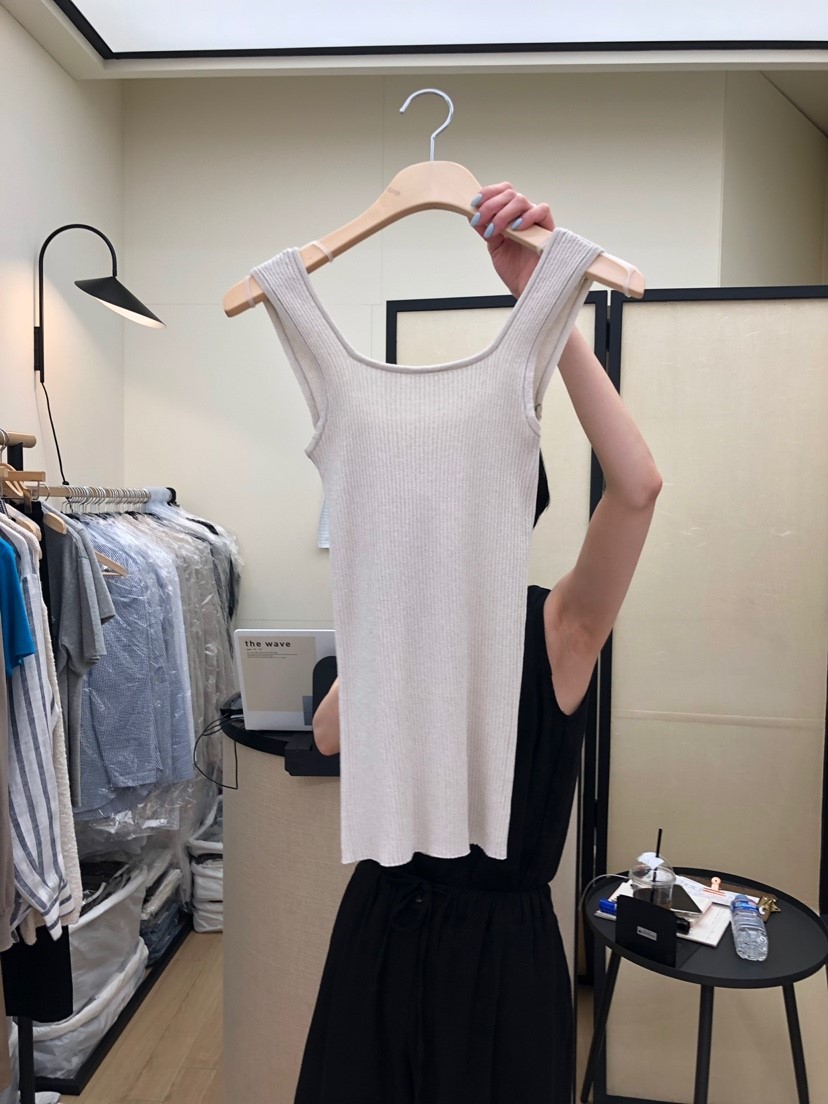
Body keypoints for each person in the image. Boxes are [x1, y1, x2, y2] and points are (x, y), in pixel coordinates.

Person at [295, 184, 662, 1104]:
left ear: (512, 506)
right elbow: (331, 736)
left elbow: (638, 488)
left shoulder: (561, 627)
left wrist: (546, 306)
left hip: (501, 967)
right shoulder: (397, 621)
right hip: (381, 935)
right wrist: (396, 593)